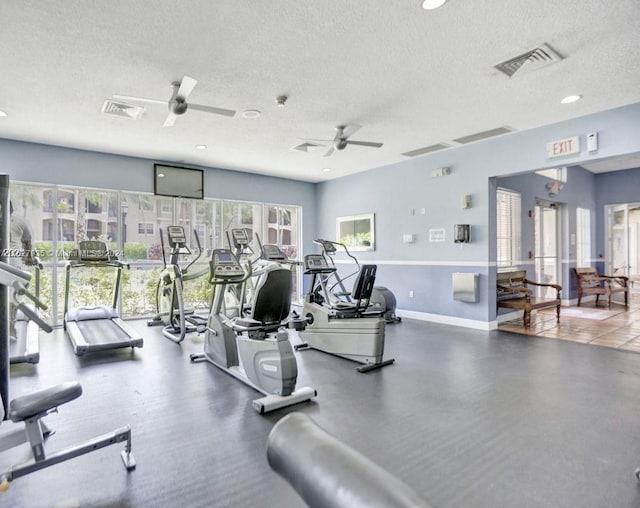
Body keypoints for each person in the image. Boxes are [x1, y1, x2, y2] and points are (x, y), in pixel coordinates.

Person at [8, 200, 34, 340]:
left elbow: (27, 242)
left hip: (13, 265)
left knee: (11, 300)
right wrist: (29, 259)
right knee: (12, 300)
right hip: (14, 265)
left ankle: (10, 330)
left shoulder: (19, 221)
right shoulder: (20, 220)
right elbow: (27, 243)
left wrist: (28, 259)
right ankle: (10, 331)